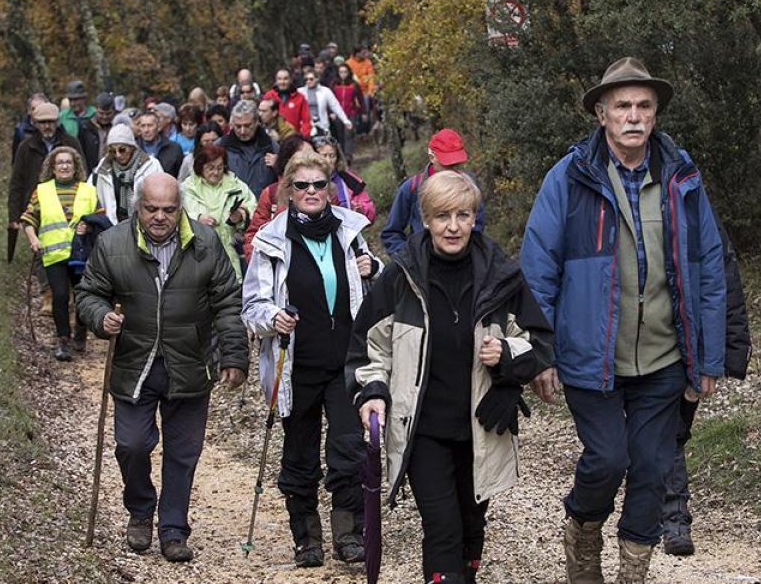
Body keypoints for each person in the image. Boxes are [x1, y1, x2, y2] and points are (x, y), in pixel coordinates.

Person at [520, 56, 727, 584]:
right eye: (622, 106)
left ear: (655, 114)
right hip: (592, 355)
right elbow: (538, 270)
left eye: (643, 106)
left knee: (654, 469)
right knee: (609, 460)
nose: (633, 116)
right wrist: (540, 352)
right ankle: (583, 532)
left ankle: (633, 572)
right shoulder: (569, 178)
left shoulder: (681, 175)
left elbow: (708, 269)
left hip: (663, 356)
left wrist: (707, 355)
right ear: (601, 114)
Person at [349, 170, 554, 584]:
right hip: (422, 429)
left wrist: (506, 356)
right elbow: (369, 349)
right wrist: (371, 391)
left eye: (463, 215)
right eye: (443, 216)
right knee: (441, 528)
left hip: (482, 426)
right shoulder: (400, 277)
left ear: (475, 217)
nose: (454, 226)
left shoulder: (500, 276)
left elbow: (539, 345)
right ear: (425, 218)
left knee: (471, 529)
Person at [75, 173, 248, 564]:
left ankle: (173, 529)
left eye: (169, 210)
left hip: (189, 362)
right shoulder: (113, 243)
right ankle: (140, 509)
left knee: (183, 453)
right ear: (138, 206)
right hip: (135, 362)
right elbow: (89, 292)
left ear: (180, 207)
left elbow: (227, 303)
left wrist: (235, 357)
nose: (159, 217)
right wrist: (101, 317)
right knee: (131, 444)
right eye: (151, 209)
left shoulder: (205, 244)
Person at [243, 152, 381, 568]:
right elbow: (251, 306)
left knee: (350, 449)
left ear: (330, 188)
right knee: (300, 456)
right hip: (296, 365)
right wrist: (273, 317)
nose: (310, 192)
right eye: (300, 185)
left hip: (345, 363)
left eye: (318, 185)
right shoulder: (271, 239)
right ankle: (307, 538)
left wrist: (371, 267)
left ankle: (349, 534)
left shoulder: (351, 232)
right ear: (288, 190)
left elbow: (372, 294)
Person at [660, 217, 751, 556]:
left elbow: (726, 283)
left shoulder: (698, 212)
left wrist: (731, 349)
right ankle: (666, 513)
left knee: (674, 432)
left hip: (688, 344)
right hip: (635, 346)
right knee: (653, 432)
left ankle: (670, 513)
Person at [19, 146, 100, 360]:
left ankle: (81, 331)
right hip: (54, 255)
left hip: (81, 255)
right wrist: (33, 239)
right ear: (52, 168)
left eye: (68, 162)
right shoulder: (42, 191)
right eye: (60, 163)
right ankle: (63, 340)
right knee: (61, 295)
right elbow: (28, 218)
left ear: (75, 167)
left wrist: (89, 226)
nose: (64, 166)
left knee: (83, 298)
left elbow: (100, 218)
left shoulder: (88, 191)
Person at [380, 128, 484, 255]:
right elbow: (391, 233)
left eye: (455, 164)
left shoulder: (469, 186)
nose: (451, 170)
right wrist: (409, 260)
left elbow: (477, 227)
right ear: (432, 157)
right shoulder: (411, 188)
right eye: (447, 164)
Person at [9, 102, 85, 248]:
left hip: (67, 204)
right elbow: (16, 182)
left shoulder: (71, 143)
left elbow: (82, 173)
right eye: (42, 122)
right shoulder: (25, 147)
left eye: (50, 122)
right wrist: (14, 215)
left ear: (57, 122)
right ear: (35, 123)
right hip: (37, 205)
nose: (47, 126)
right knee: (40, 249)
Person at [180, 143, 256, 281]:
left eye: (220, 167)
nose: (216, 172)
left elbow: (253, 208)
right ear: (200, 167)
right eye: (210, 168)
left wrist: (241, 215)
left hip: (229, 252)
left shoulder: (236, 185)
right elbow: (176, 215)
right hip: (195, 254)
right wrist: (196, 218)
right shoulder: (187, 187)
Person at [242, 134, 310, 261]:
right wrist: (260, 266)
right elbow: (253, 236)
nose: (311, 161)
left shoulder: (325, 192)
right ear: (288, 161)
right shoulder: (271, 193)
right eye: (304, 157)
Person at [92, 124, 162, 225]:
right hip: (113, 226)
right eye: (113, 151)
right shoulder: (103, 168)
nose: (118, 155)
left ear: (132, 147)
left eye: (122, 149)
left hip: (144, 224)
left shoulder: (151, 165)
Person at [219, 100, 279, 197]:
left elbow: (286, 180)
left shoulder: (271, 146)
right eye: (238, 126)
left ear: (256, 122)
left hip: (263, 206)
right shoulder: (221, 146)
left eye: (247, 126)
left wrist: (279, 166)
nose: (242, 131)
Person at [310, 134, 375, 222]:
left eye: (332, 156)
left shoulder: (348, 179)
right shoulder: (305, 181)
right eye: (324, 156)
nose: (328, 161)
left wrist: (361, 210)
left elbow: (370, 210)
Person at [297, 70, 351, 138]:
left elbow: (335, 106)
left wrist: (345, 120)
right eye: (306, 79)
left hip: (322, 124)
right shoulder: (300, 92)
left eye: (311, 79)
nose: (308, 81)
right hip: (306, 125)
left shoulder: (325, 91)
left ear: (317, 79)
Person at [134, 111, 183, 176]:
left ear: (158, 127)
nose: (146, 130)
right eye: (143, 126)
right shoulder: (133, 149)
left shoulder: (174, 148)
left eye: (150, 125)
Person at [330, 64, 363, 160]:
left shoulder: (354, 84)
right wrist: (331, 112)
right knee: (340, 134)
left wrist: (362, 112)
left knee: (349, 133)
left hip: (351, 112)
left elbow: (360, 99)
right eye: (341, 72)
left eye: (345, 72)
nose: (343, 74)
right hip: (338, 113)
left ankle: (348, 155)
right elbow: (329, 100)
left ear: (348, 73)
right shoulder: (334, 85)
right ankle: (342, 155)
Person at [263, 68, 311, 134]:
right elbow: (262, 115)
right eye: (279, 79)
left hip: (293, 137)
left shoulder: (300, 98)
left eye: (285, 79)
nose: (282, 82)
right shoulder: (269, 96)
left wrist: (304, 136)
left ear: (290, 80)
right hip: (272, 136)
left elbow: (306, 121)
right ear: (276, 81)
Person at [11, 93, 50, 163]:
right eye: (34, 109)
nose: (38, 112)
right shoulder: (21, 130)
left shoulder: (55, 128)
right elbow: (15, 160)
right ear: (29, 111)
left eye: (41, 108)